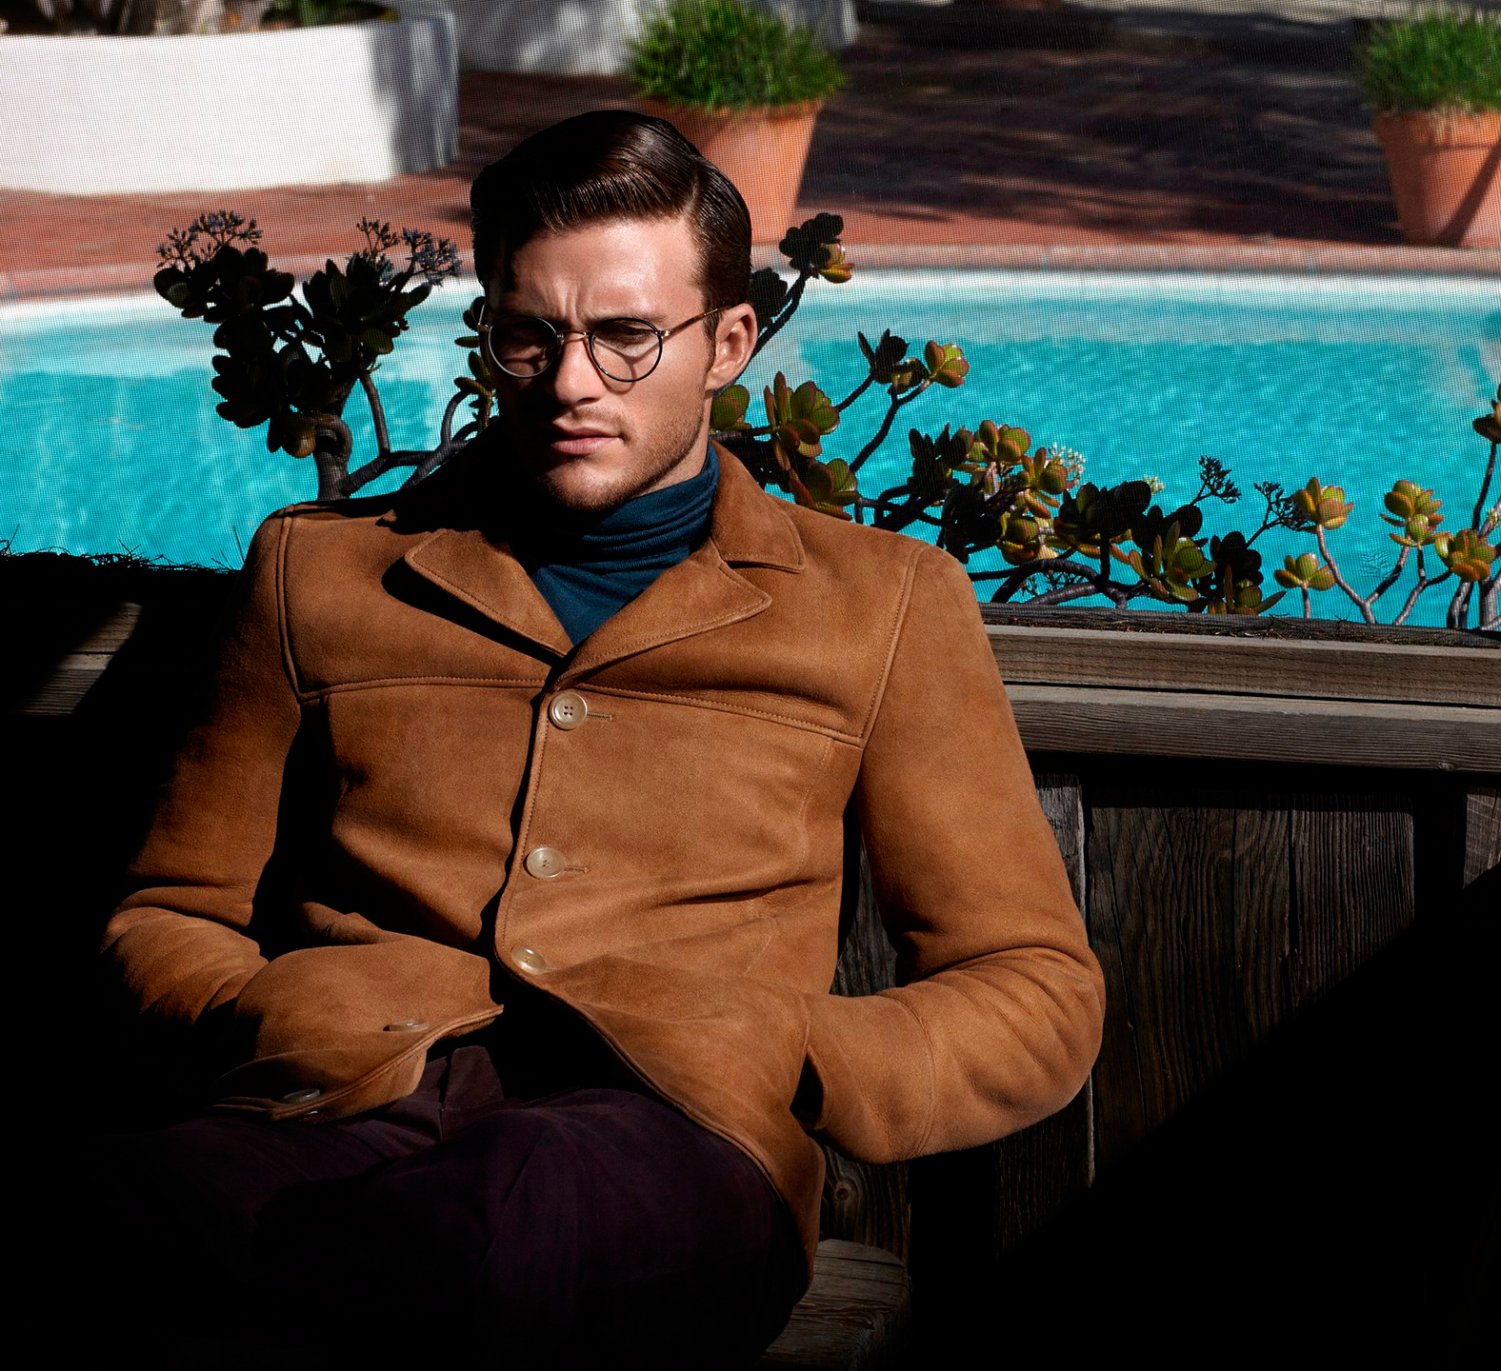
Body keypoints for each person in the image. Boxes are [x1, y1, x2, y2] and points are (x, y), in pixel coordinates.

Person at [92, 109, 1105, 1367]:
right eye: (530, 335)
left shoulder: (882, 604)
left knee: (501, 1226)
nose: (571, 383)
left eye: (627, 336)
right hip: (336, 1103)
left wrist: (791, 1053)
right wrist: (270, 1015)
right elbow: (170, 912)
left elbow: (1033, 989)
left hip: (665, 1135)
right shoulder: (322, 575)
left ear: (728, 342)